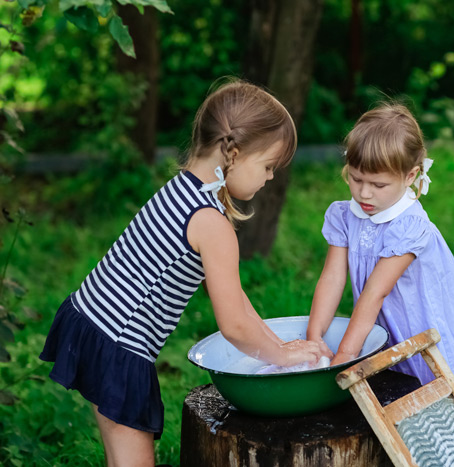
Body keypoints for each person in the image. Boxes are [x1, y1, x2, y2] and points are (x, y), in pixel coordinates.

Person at [39, 80, 322, 466]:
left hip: (92, 321)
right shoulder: (211, 223)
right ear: (234, 154)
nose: (270, 177)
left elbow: (236, 298)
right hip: (120, 345)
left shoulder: (183, 190)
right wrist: (282, 359)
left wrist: (276, 345)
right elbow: (234, 326)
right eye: (268, 166)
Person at [306, 104, 454, 393]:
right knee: (393, 392)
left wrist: (344, 358)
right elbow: (332, 278)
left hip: (419, 324)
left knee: (435, 391)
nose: (364, 193)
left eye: (378, 184)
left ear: (410, 176)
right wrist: (314, 338)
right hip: (379, 322)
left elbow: (376, 291)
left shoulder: (409, 225)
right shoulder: (343, 216)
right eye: (356, 179)